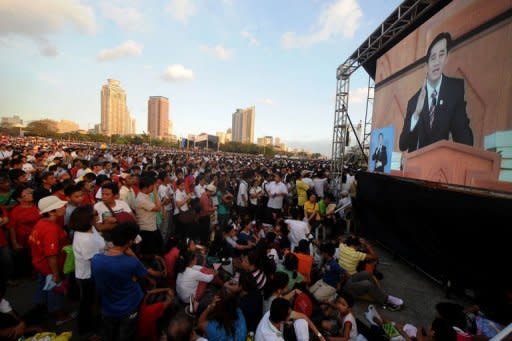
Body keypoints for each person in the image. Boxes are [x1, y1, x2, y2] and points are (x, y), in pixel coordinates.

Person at [399, 32, 473, 152]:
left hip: (442, 165)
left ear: (447, 57)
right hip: (417, 166)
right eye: (433, 57)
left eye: (441, 55)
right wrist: (416, 115)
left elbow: (464, 140)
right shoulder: (414, 101)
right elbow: (403, 145)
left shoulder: (455, 90)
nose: (437, 62)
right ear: (426, 66)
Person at [91, 222, 150, 341]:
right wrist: (133, 255)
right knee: (126, 335)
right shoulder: (131, 263)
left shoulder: (96, 259)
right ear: (129, 242)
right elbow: (144, 274)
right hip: (128, 306)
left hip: (107, 306)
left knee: (109, 334)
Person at [28, 196, 72, 324]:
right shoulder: (50, 229)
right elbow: (51, 255)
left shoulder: (41, 223)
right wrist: (56, 274)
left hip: (40, 264)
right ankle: (58, 316)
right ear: (52, 211)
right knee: (55, 291)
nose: (64, 207)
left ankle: (42, 310)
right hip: (50, 267)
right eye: (61, 206)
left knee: (43, 287)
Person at [69, 205, 105, 335]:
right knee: (89, 304)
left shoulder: (89, 230)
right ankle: (88, 331)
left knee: (90, 302)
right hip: (88, 276)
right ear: (89, 220)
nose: (98, 214)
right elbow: (95, 261)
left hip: (90, 273)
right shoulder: (85, 239)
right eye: (96, 213)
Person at [256, 297, 325, 341]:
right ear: (285, 319)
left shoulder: (272, 312)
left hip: (281, 334)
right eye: (290, 311)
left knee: (301, 321)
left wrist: (320, 336)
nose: (292, 311)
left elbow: (304, 316)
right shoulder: (272, 338)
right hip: (277, 336)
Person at [135, 177, 163, 255]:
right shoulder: (141, 199)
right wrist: (155, 193)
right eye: (152, 186)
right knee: (149, 253)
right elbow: (158, 208)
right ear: (146, 187)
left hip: (152, 227)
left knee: (158, 249)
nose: (154, 187)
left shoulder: (145, 196)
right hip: (147, 230)